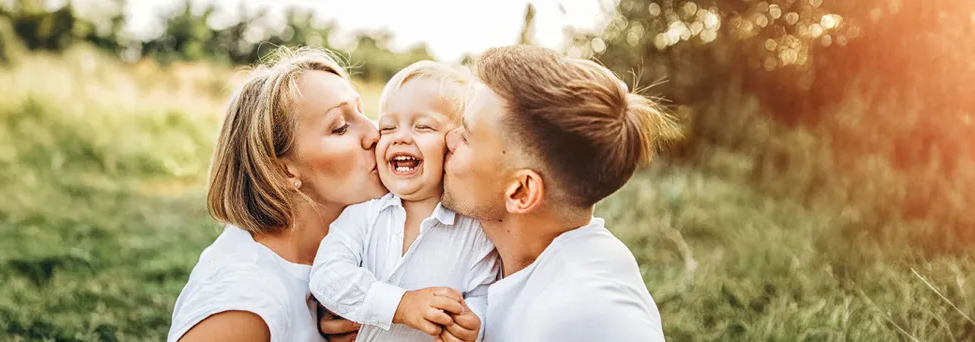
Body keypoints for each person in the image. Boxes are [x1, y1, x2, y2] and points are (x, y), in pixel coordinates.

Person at [440, 45, 679, 341]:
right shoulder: (498, 256)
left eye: (467, 136)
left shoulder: (591, 316)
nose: (448, 139)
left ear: (521, 192)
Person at [167, 48, 388, 342]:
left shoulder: (356, 248)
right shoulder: (243, 305)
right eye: (340, 127)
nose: (374, 132)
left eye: (361, 111)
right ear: (283, 171)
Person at [309, 61, 499, 342]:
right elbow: (327, 276)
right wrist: (401, 305)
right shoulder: (363, 215)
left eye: (423, 126)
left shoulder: (475, 231)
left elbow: (484, 293)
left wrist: (476, 321)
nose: (400, 137)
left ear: (456, 142)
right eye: (387, 128)